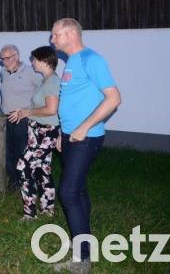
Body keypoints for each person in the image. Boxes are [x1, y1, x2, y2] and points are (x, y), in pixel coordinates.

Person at [50, 18, 121, 273]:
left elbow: (114, 98)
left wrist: (85, 126)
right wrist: (62, 131)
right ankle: (85, 242)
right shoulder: (71, 62)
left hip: (86, 137)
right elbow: (71, 100)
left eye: (55, 34)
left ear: (70, 34)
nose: (52, 39)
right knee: (77, 190)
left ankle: (82, 260)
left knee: (68, 192)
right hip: (70, 136)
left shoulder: (92, 59)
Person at [7, 46, 60, 221]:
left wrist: (26, 112)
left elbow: (52, 110)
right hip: (37, 131)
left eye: (34, 59)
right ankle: (47, 209)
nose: (32, 63)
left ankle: (30, 214)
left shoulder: (52, 81)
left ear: (44, 61)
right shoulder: (46, 80)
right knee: (43, 170)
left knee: (23, 166)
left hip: (47, 133)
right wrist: (25, 112)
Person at [0, 44, 43, 193]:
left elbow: (44, 92)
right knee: (8, 153)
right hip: (6, 119)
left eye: (8, 58)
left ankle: (29, 185)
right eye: (2, 59)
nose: (5, 61)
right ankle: (15, 183)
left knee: (23, 153)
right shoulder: (3, 72)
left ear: (16, 56)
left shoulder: (31, 72)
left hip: (23, 120)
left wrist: (29, 111)